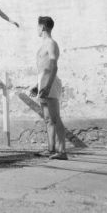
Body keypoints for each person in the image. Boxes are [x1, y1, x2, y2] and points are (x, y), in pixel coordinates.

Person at [30, 16, 67, 160]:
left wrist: (48, 85)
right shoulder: (43, 44)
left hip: (50, 83)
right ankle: (51, 149)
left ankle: (62, 152)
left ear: (43, 27)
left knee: (55, 118)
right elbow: (43, 67)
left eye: (38, 26)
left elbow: (54, 66)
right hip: (43, 82)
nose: (37, 29)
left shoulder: (51, 43)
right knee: (48, 119)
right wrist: (37, 84)